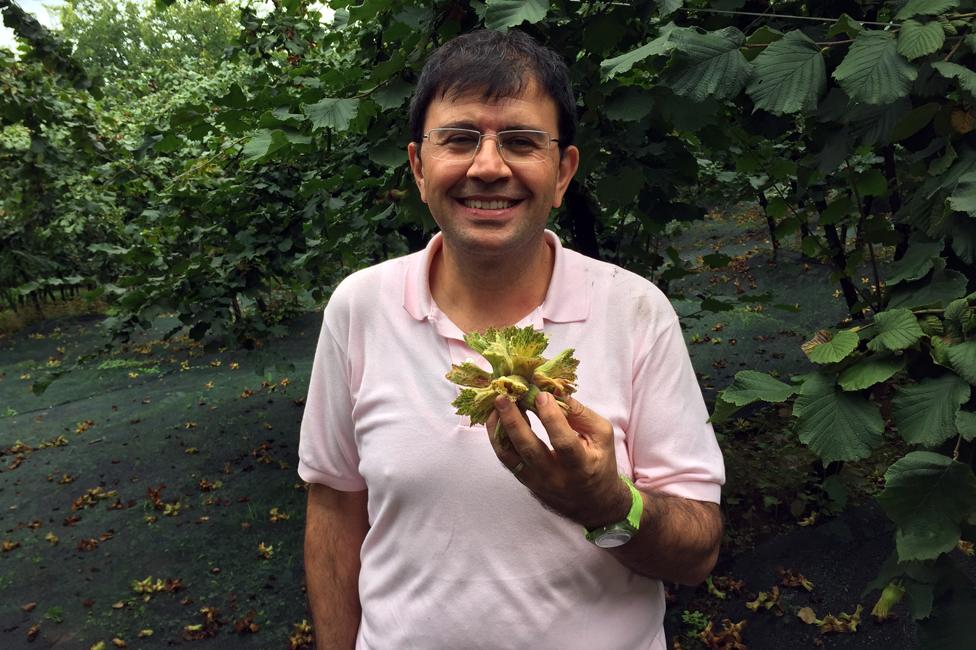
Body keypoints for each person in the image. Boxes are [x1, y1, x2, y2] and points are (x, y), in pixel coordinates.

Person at [299, 29, 725, 650]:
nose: (489, 166)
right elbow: (335, 503)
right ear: (419, 167)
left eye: (522, 141)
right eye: (460, 138)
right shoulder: (359, 307)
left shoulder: (635, 310)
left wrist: (610, 505)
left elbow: (699, 551)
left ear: (562, 172)